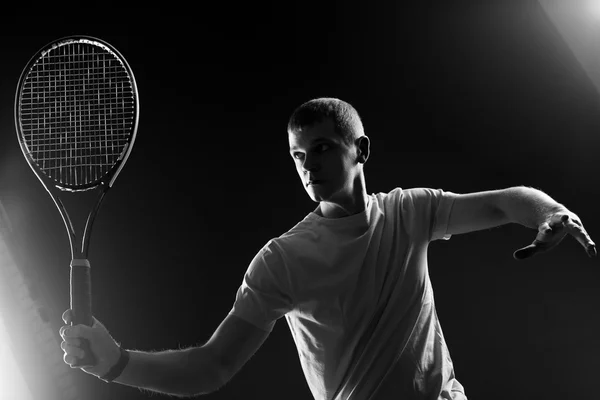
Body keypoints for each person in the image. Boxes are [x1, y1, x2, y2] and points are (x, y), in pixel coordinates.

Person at [60, 98, 597, 399]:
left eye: (320, 148)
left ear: (360, 150)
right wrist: (116, 363)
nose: (307, 165)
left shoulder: (410, 212)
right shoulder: (283, 260)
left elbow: (505, 202)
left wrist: (550, 212)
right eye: (297, 156)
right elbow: (212, 366)